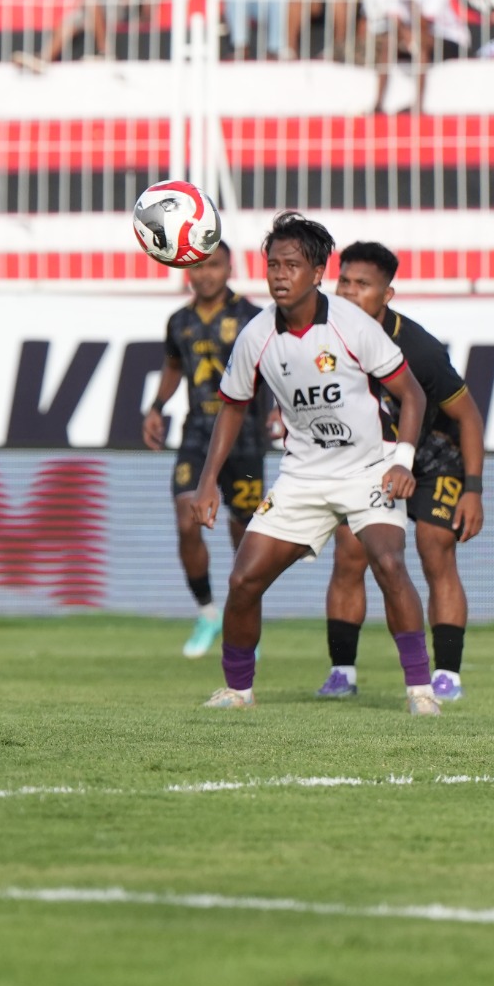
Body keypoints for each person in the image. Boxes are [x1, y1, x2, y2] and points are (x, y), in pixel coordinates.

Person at [182, 212, 437, 714]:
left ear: (318, 273)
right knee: (243, 581)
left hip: (369, 470)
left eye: (292, 265)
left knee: (389, 563)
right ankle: (238, 691)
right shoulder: (256, 335)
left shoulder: (354, 326)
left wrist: (403, 461)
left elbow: (413, 395)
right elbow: (232, 406)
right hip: (303, 476)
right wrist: (208, 480)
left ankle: (421, 691)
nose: (279, 275)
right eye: (273, 265)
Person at [320, 242, 485, 703]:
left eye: (363, 284)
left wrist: (473, 490)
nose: (349, 292)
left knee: (436, 550)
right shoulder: (322, 336)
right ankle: (342, 672)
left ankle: (447, 675)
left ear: (386, 294)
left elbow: (469, 417)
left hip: (433, 455)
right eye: (344, 282)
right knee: (350, 553)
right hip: (368, 460)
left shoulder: (419, 349)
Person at [138, 242, 267, 659]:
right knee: (186, 518)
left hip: (245, 437)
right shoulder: (179, 321)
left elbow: (277, 366)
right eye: (198, 267)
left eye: (214, 265)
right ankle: (208, 612)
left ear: (229, 267)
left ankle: (241, 620)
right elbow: (174, 366)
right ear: (186, 272)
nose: (205, 274)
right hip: (197, 434)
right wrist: (156, 407)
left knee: (245, 533)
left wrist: (279, 409)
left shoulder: (252, 317)